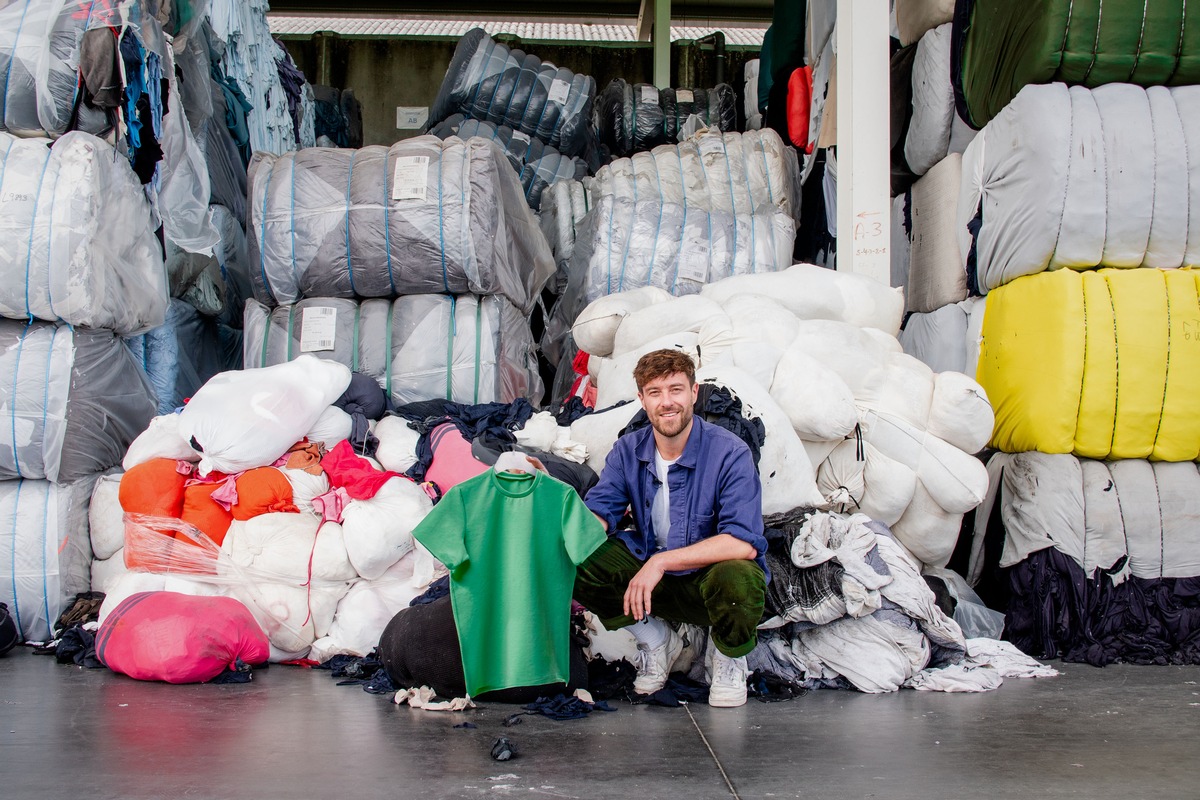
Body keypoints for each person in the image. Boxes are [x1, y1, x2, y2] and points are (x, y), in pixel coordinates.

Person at [575, 349, 768, 708]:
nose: (667, 403)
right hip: (651, 588)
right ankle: (657, 640)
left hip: (708, 587)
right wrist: (562, 532)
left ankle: (728, 658)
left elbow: (744, 541)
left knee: (740, 577)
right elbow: (602, 509)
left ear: (694, 393)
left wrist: (661, 563)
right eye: (655, 392)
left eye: (676, 390)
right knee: (575, 555)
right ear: (642, 399)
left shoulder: (730, 452)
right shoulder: (628, 450)